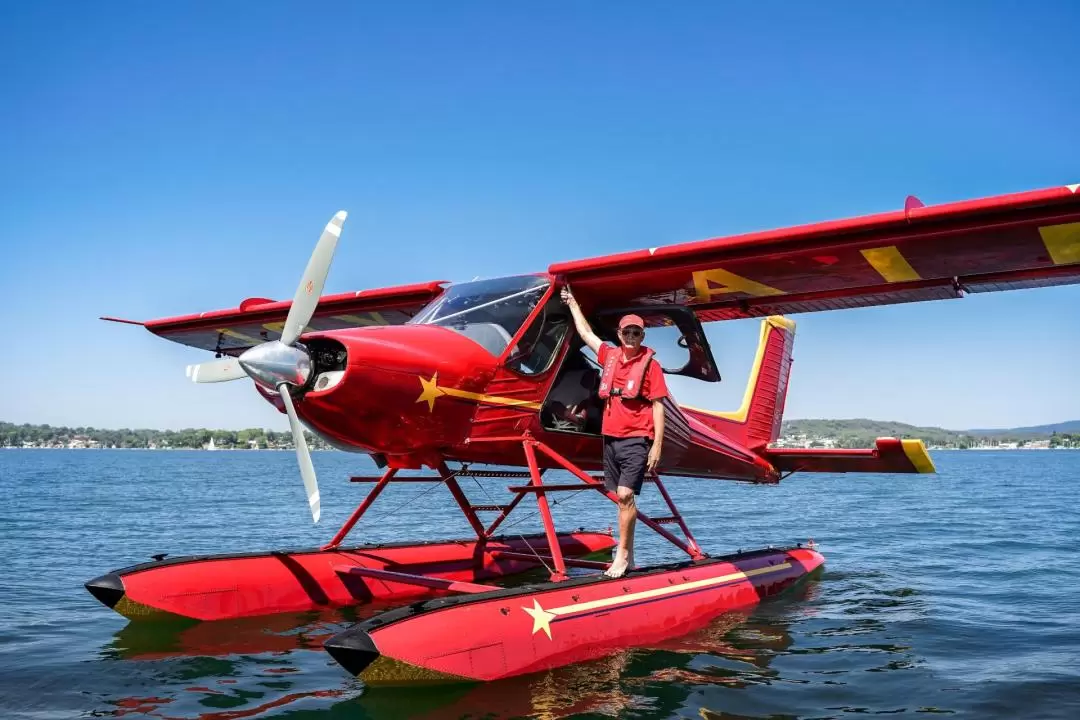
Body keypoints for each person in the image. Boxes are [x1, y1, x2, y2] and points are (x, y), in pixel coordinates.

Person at [560, 285, 668, 578]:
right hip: (611, 437)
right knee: (619, 496)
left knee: (624, 495)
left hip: (637, 437)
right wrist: (571, 302)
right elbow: (585, 334)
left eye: (637, 333)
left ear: (642, 336)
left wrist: (657, 445)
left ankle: (621, 555)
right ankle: (629, 556)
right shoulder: (608, 355)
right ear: (619, 335)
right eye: (626, 332)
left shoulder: (651, 366)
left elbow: (658, 406)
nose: (631, 337)